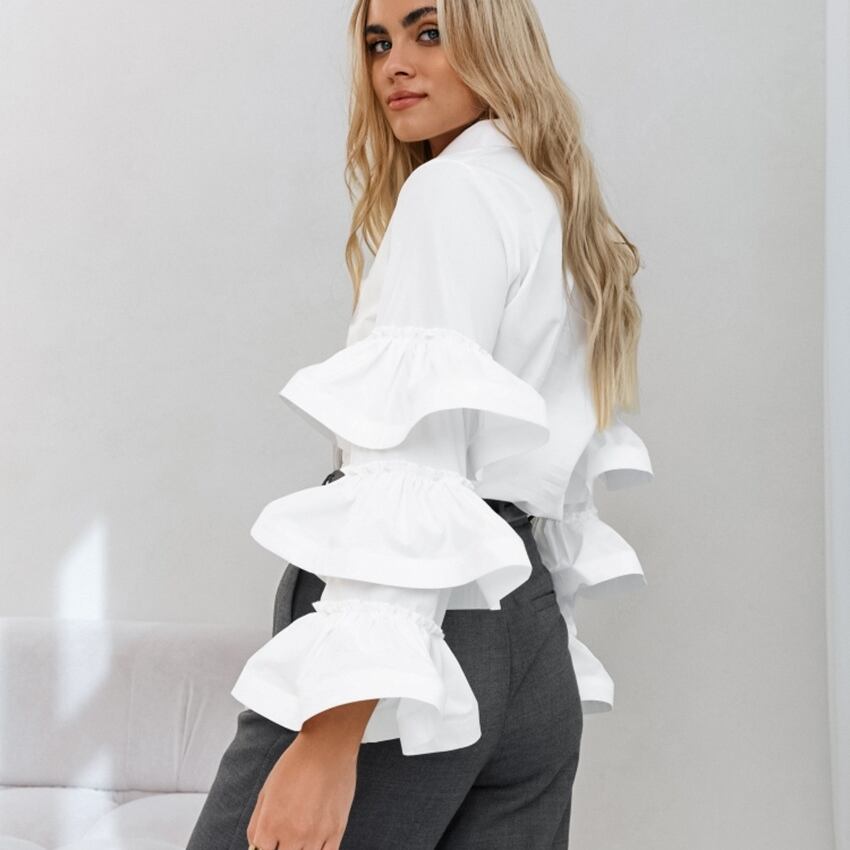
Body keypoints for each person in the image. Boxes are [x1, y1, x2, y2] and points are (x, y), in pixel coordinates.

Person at [186, 0, 654, 848]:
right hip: (528, 639)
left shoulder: (451, 192)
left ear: (494, 40)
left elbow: (416, 464)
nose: (394, 64)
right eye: (378, 42)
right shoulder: (552, 202)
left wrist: (331, 734)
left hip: (425, 646)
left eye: (427, 32)